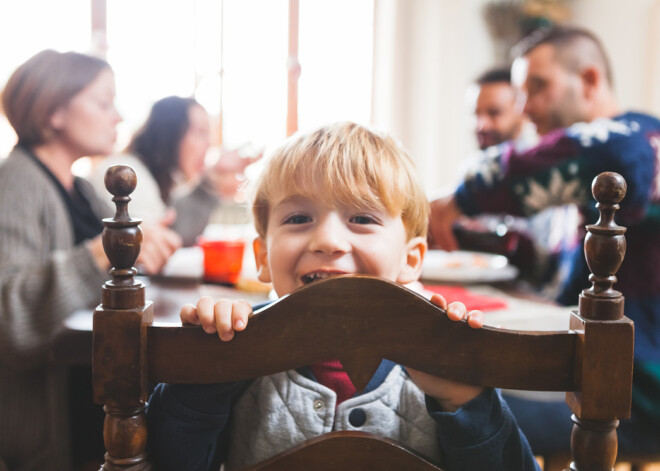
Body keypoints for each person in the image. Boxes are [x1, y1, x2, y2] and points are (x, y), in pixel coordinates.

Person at [146, 121, 539, 471]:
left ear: (410, 259)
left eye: (362, 219)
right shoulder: (238, 344)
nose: (329, 240)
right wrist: (205, 371)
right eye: (298, 219)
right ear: (263, 257)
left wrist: (465, 401)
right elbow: (168, 460)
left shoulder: (443, 356)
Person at [429, 26, 660, 456]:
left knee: (443, 409)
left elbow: (615, 154)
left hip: (635, 396)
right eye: (520, 92)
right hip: (600, 376)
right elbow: (560, 279)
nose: (526, 107)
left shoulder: (641, 142)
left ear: (589, 81)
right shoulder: (590, 184)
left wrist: (461, 198)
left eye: (538, 87)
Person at [0, 50, 181, 471]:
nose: (117, 116)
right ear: (54, 111)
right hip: (51, 432)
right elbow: (9, 317)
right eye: (103, 102)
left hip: (100, 403)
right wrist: (101, 252)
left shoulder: (83, 188)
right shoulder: (17, 180)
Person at [461, 66, 578, 290]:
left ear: (522, 112)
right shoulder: (470, 169)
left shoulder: (545, 172)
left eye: (494, 113)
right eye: (476, 113)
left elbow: (546, 263)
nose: (481, 125)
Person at [90, 96, 261, 246]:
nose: (209, 144)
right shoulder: (128, 174)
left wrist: (213, 179)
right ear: (170, 134)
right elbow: (153, 249)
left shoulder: (163, 182)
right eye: (200, 132)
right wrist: (212, 181)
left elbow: (178, 232)